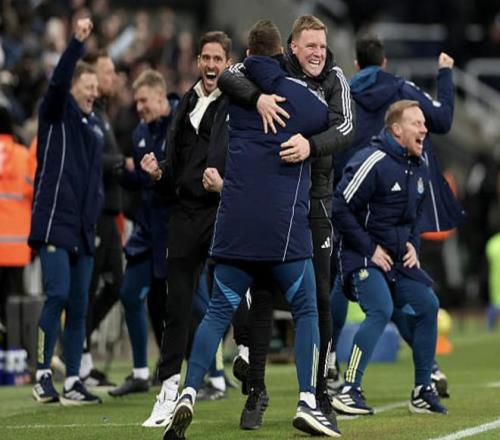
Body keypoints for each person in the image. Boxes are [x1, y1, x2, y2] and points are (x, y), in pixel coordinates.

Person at [163, 19, 340, 439]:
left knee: (216, 314)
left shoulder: (232, 93)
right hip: (281, 229)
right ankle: (308, 400)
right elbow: (336, 124)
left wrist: (255, 95)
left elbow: (226, 76)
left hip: (234, 227)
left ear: (245, 54)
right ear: (283, 53)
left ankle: (187, 392)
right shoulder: (303, 99)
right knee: (307, 309)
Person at [217, 14, 353, 429]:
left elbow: (346, 127)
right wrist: (258, 99)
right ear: (292, 47)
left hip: (316, 203)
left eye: (322, 46)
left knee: (320, 299)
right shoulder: (274, 72)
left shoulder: (335, 78)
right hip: (274, 201)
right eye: (310, 46)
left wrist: (310, 146)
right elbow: (229, 76)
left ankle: (317, 392)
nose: (318, 53)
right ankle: (256, 390)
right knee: (262, 295)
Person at [328, 35, 464, 398]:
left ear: (357, 64)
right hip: (393, 204)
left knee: (343, 281)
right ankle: (425, 370)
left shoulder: (342, 93)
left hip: (351, 199)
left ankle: (330, 362)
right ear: (384, 62)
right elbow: (443, 119)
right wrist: (445, 73)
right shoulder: (402, 90)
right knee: (392, 293)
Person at [140, 31, 233, 427]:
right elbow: (174, 166)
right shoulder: (186, 104)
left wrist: (226, 186)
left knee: (237, 291)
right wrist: (157, 172)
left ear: (228, 63)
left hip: (222, 211)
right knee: (176, 305)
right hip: (184, 214)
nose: (211, 65)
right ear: (198, 61)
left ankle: (248, 365)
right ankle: (167, 391)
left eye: (217, 59)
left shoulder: (237, 104)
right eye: (206, 58)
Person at [331, 100, 447, 416]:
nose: (424, 129)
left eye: (424, 123)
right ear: (396, 130)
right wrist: (370, 249)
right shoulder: (373, 160)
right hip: (360, 255)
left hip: (396, 259)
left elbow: (416, 215)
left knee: (428, 305)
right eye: (417, 123)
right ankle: (349, 389)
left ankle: (422, 390)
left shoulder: (419, 164)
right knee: (380, 309)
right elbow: (339, 207)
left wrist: (412, 245)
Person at [29, 18, 104, 405]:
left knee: (78, 307)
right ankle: (42, 374)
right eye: (87, 86)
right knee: (57, 294)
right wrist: (75, 43)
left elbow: (95, 182)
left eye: (95, 87)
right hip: (54, 220)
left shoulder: (96, 128)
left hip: (83, 229)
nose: (93, 92)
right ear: (73, 88)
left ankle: (73, 380)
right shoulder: (56, 113)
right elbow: (57, 81)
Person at [108, 69, 176, 397]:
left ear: (160, 96)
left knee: (192, 303)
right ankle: (139, 372)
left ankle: (213, 374)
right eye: (136, 101)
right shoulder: (139, 132)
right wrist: (123, 174)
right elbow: (143, 181)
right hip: (148, 229)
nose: (139, 107)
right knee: (130, 293)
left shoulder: (180, 125)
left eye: (143, 100)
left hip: (175, 228)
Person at [78, 49, 125, 389]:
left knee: (115, 285)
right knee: (88, 286)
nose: (113, 78)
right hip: (94, 213)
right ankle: (79, 359)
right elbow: (93, 159)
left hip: (109, 212)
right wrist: (122, 162)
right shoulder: (87, 115)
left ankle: (78, 347)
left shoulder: (103, 114)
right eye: (107, 73)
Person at [0, 106, 36, 329]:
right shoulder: (23, 156)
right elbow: (35, 193)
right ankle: (13, 347)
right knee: (13, 306)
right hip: (17, 247)